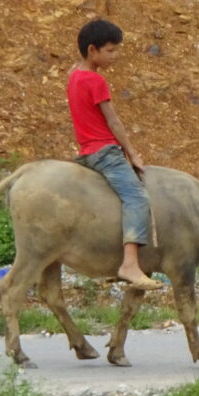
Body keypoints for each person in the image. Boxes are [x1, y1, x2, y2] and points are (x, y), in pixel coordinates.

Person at [68, 19, 161, 291]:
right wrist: (132, 153)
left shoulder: (74, 75)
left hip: (85, 151)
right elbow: (113, 121)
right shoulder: (96, 80)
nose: (115, 56)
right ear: (92, 50)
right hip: (105, 151)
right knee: (137, 197)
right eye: (110, 51)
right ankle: (130, 264)